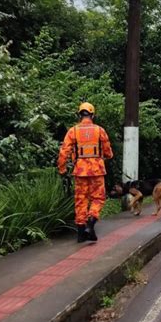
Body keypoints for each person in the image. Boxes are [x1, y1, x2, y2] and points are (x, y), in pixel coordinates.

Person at [58, 102, 113, 243]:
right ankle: (91, 221)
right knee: (98, 198)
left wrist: (62, 169)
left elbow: (64, 152)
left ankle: (81, 234)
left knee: (80, 200)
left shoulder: (73, 131)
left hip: (80, 170)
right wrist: (106, 156)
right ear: (93, 115)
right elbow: (108, 151)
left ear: (79, 115)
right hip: (97, 170)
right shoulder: (99, 130)